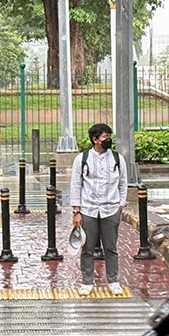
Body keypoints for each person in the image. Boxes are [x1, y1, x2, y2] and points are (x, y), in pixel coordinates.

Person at [69, 123, 128, 296]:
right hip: (88, 210)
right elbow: (75, 185)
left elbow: (123, 182)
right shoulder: (82, 158)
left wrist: (121, 204)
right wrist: (76, 211)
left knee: (111, 247)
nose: (108, 140)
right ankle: (87, 282)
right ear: (95, 140)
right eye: (105, 137)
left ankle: (113, 280)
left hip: (111, 209)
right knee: (87, 248)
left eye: (109, 136)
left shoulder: (117, 158)